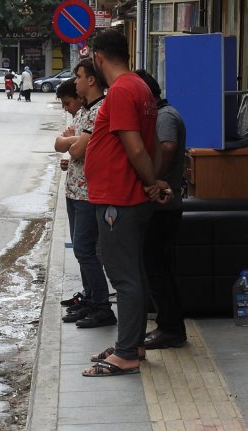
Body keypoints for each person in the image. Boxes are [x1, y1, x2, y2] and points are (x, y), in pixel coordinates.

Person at [81, 28, 172, 377]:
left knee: (124, 277)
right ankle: (131, 343)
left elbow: (135, 147)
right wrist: (155, 182)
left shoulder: (120, 91)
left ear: (98, 57)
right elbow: (149, 145)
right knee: (133, 273)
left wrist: (151, 182)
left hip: (119, 197)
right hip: (129, 194)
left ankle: (126, 354)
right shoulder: (141, 88)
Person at [53, 76, 116, 328]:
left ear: (90, 81)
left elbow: (77, 149)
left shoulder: (100, 111)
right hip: (74, 190)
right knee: (83, 252)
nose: (75, 81)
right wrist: (72, 146)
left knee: (85, 250)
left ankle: (102, 305)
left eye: (78, 77)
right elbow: (61, 144)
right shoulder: (84, 113)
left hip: (89, 193)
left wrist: (72, 146)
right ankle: (91, 299)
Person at [135, 69, 188, 350]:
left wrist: (152, 179)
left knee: (158, 269)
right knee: (156, 268)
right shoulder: (160, 115)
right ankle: (167, 325)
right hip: (160, 205)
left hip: (165, 207)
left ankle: (171, 329)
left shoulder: (165, 116)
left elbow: (167, 147)